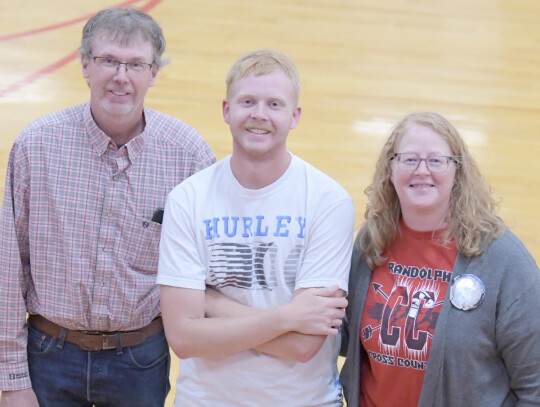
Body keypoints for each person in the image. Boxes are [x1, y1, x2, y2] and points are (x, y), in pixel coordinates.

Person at [0, 7, 215, 407]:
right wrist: (11, 380)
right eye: (109, 61)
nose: (121, 76)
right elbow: (7, 269)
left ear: (154, 73)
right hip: (47, 356)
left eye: (136, 64)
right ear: (84, 64)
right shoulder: (36, 147)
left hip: (141, 361)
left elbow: (206, 275)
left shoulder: (190, 157)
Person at [157, 49, 355, 407]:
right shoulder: (188, 198)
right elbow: (184, 339)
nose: (259, 115)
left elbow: (303, 345)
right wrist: (287, 316)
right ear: (226, 110)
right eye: (247, 101)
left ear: (295, 116)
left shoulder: (328, 201)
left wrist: (211, 302)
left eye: (274, 104)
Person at [340, 112, 540, 406]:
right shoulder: (371, 243)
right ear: (390, 170)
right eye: (409, 159)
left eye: (436, 160)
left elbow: (533, 385)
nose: (422, 170)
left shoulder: (504, 260)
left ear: (457, 171)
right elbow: (346, 338)